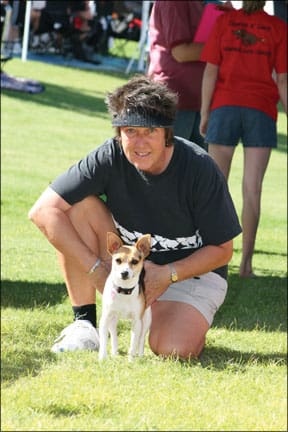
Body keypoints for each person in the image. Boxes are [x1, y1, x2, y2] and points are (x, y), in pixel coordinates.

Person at [28, 75, 242, 360]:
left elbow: (223, 251)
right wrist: (98, 271)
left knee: (175, 348)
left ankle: (160, 314)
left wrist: (167, 274)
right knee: (76, 207)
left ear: (166, 133)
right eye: (130, 130)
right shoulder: (108, 156)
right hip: (123, 264)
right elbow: (42, 211)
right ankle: (85, 324)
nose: (139, 142)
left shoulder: (200, 168)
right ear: (119, 133)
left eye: (150, 131)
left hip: (189, 274)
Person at [199, 0, 287, 278]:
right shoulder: (278, 27)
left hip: (224, 106)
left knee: (215, 188)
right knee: (252, 190)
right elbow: (283, 80)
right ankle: (246, 264)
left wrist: (204, 113)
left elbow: (210, 70)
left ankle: (211, 259)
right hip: (261, 111)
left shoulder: (224, 22)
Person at [147, 0, 233, 150]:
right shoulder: (174, 3)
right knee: (166, 167)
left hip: (201, 101)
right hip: (174, 99)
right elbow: (181, 52)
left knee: (198, 170)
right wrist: (224, 45)